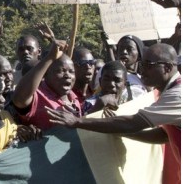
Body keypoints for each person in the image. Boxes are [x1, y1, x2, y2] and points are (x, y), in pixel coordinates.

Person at [47, 43, 180, 184]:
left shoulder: (177, 95)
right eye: (142, 64)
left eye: (149, 65)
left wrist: (77, 122)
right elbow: (163, 136)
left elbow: (133, 123)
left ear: (167, 68)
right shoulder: (168, 91)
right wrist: (120, 131)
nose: (142, 70)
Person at [11, 23, 82, 130]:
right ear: (46, 74)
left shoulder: (74, 97)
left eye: (71, 71)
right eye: (60, 71)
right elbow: (20, 99)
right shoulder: (38, 97)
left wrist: (53, 40)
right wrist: (49, 58)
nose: (67, 75)